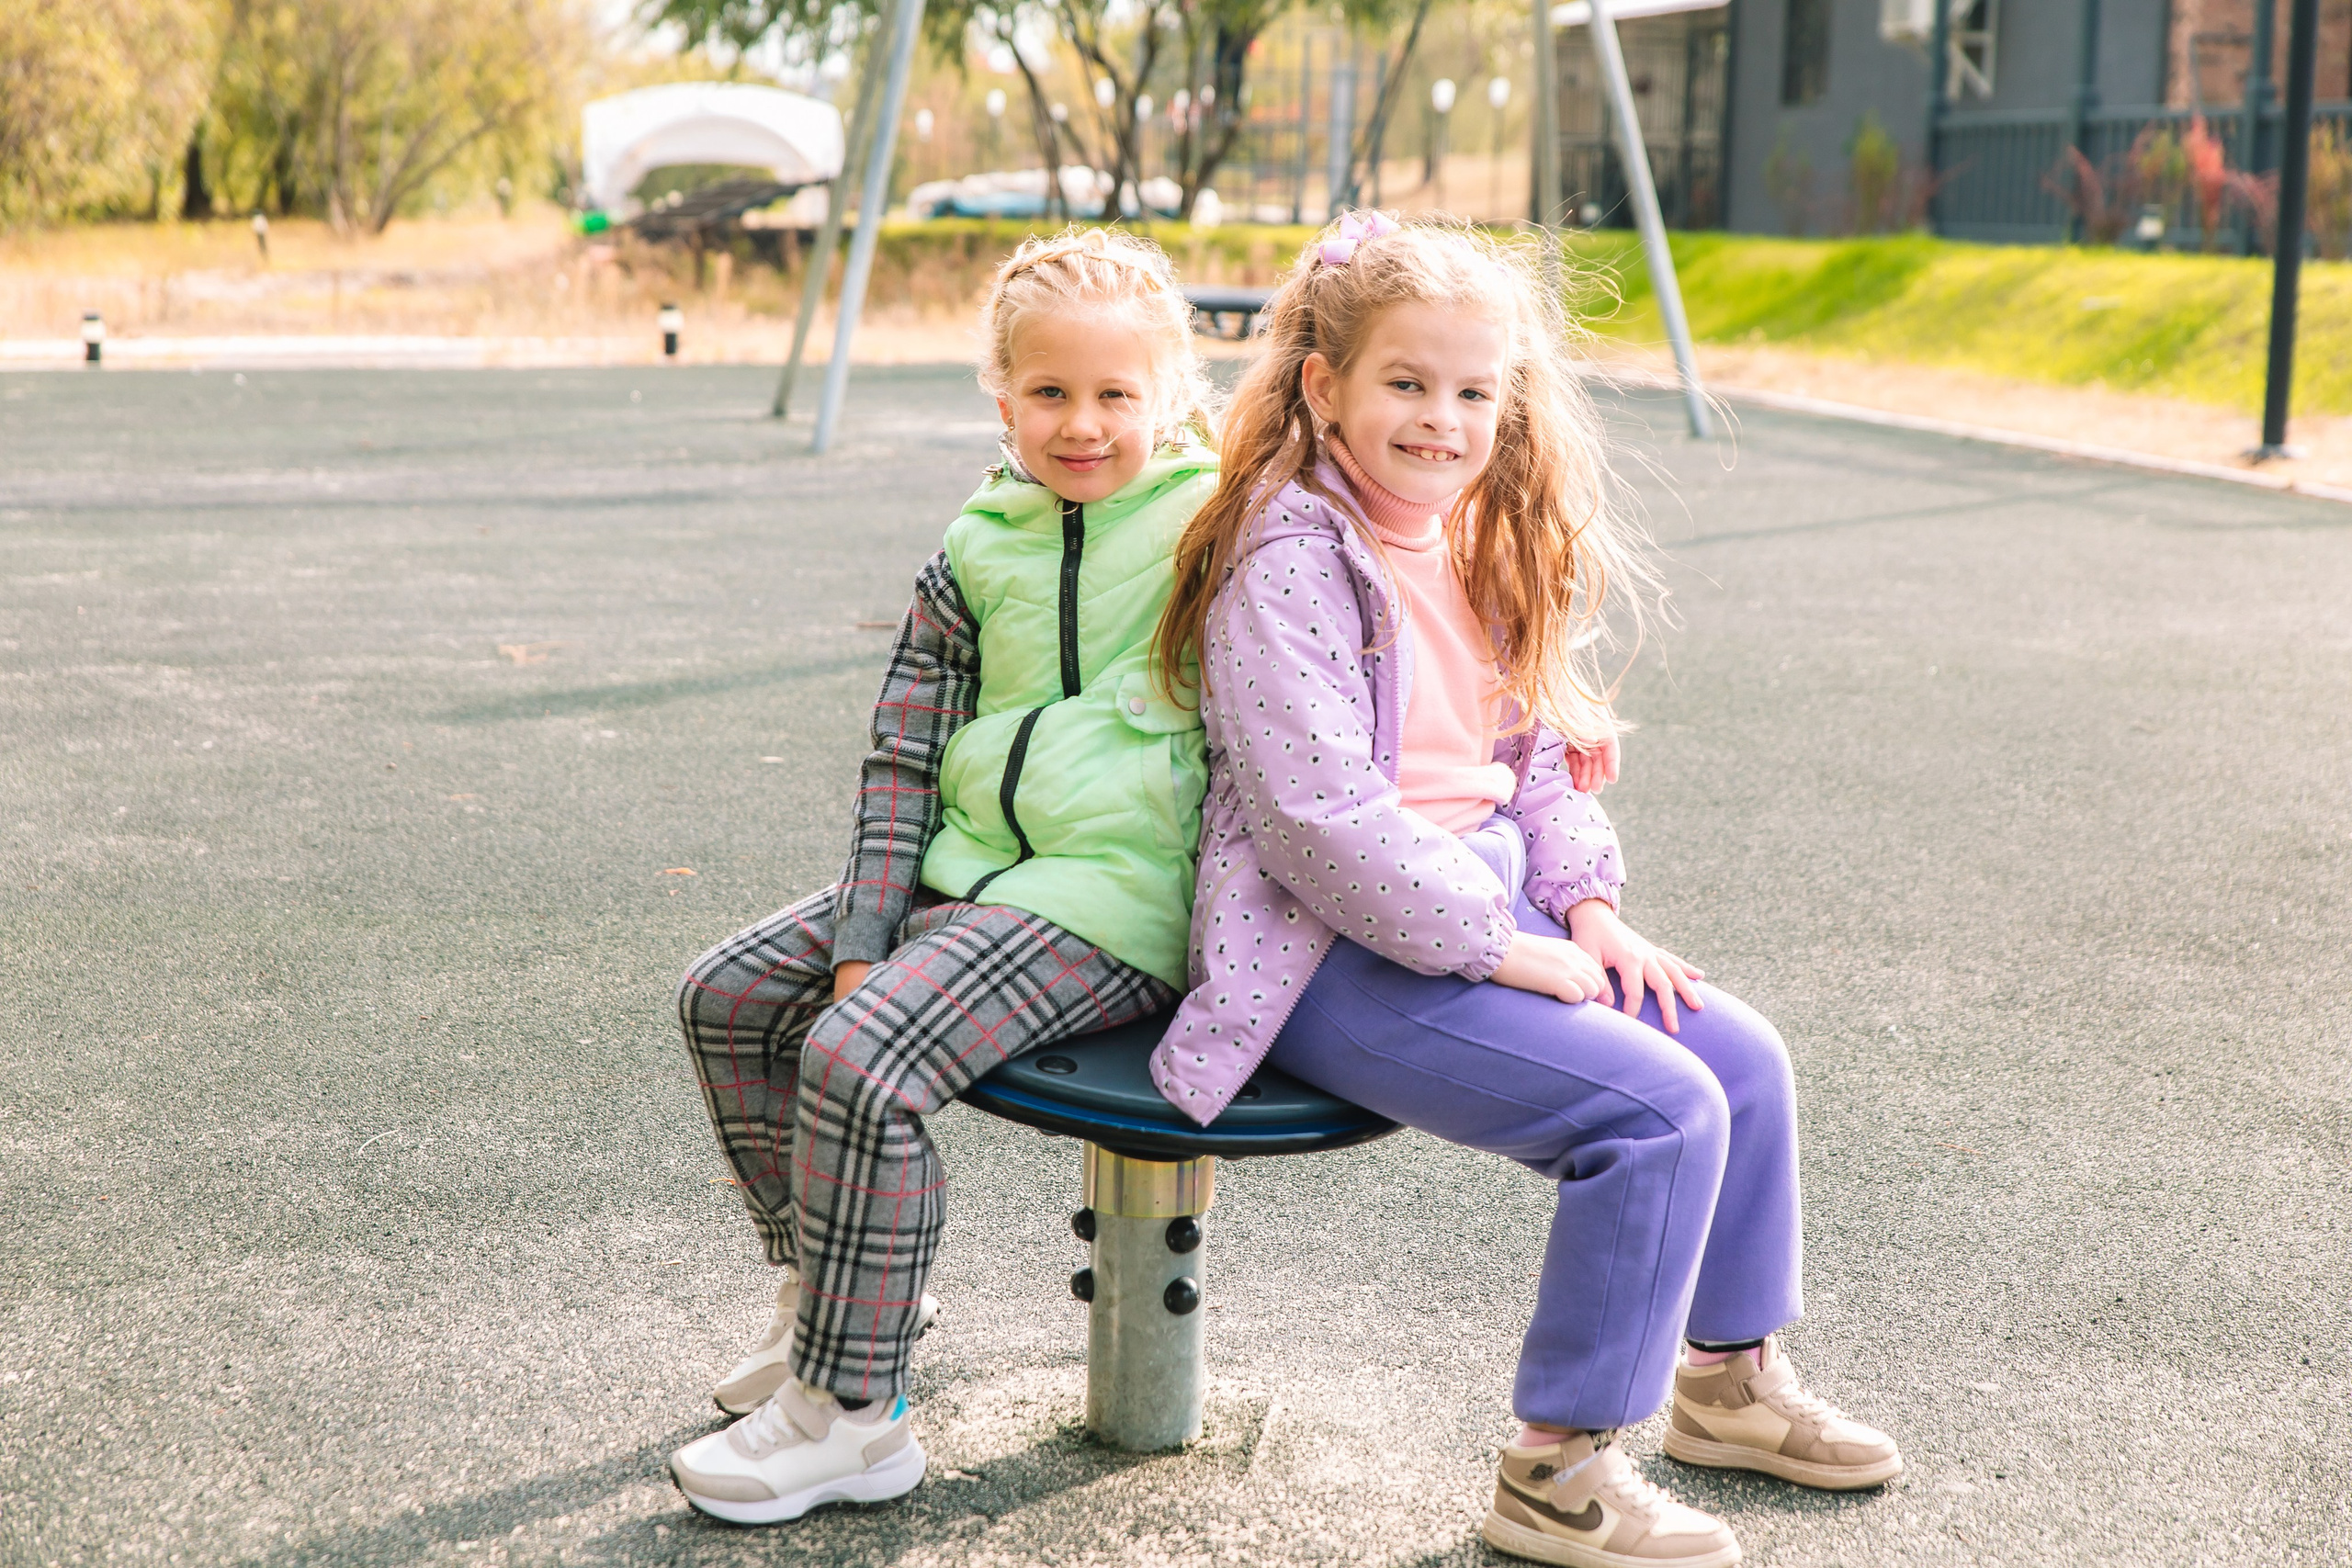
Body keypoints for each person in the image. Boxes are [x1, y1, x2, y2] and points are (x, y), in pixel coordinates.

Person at [1150, 213, 1900, 1568]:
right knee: (1659, 1112)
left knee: (1736, 1059)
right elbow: (1318, 826)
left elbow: (1536, 761)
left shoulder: (1477, 535)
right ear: (1324, 388)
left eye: (1473, 393)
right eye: (1406, 384)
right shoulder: (1290, 557)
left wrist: (1591, 910)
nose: (1442, 420)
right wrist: (1501, 947)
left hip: (1491, 918)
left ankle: (1726, 1387)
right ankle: (1555, 1472)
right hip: (1333, 955)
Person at [667, 227, 1219, 1526]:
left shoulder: (1216, 522)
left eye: (1115, 395)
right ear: (1001, 393)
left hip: (1117, 896)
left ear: (1173, 394)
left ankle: (855, 1415)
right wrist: (869, 929)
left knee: (862, 1057)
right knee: (730, 998)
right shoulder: (977, 543)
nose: (1081, 425)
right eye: (1048, 393)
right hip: (978, 875)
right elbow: (903, 757)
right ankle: (842, 1291)